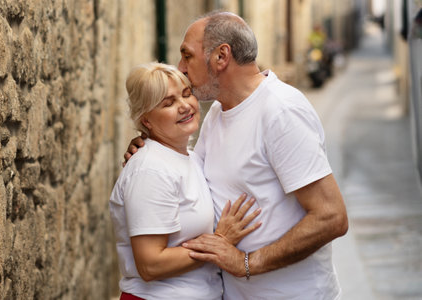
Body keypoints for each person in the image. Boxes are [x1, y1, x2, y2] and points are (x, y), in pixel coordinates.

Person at [125, 11, 348, 299]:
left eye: (187, 56)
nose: (181, 67)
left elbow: (331, 217)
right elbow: (192, 173)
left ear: (221, 57)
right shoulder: (219, 112)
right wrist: (150, 146)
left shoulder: (281, 110)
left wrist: (247, 263)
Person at [110, 62, 261, 300]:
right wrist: (220, 242)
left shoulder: (190, 157)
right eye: (168, 103)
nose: (184, 106)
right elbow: (150, 265)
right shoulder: (150, 169)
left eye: (186, 94)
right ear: (146, 120)